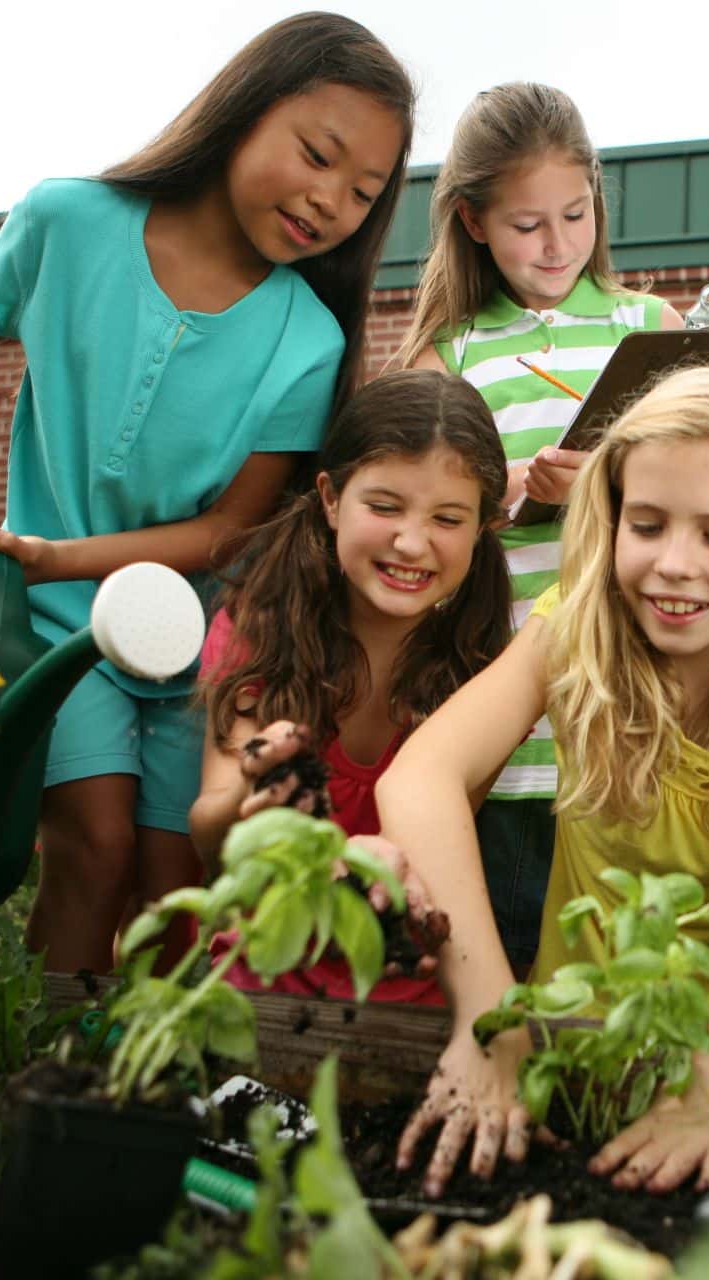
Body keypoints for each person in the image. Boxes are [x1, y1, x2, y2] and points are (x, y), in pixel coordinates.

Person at [0, 13, 414, 973]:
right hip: (48, 621)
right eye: (318, 156)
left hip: (190, 640)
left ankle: (154, 1103)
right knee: (95, 847)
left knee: (177, 882)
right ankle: (45, 1084)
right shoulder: (68, 220)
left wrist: (54, 553)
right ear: (245, 110)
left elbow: (226, 532)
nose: (333, 201)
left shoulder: (309, 340)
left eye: (364, 193)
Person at [377, 365, 709, 1197]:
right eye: (646, 525)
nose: (672, 566)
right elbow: (422, 780)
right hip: (569, 1061)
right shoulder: (573, 632)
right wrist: (493, 1016)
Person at [390, 82, 685, 977]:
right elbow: (409, 523)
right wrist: (503, 491)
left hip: (650, 714)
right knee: (518, 960)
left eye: (575, 214)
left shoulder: (653, 326)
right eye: (527, 225)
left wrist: (614, 484)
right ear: (474, 223)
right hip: (512, 731)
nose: (557, 245)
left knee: (641, 974)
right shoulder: (452, 353)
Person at [188, 369, 512, 1005]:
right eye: (384, 506)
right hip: (266, 969)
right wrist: (261, 786)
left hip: (405, 981)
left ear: (483, 528)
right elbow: (210, 839)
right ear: (331, 499)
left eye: (448, 518)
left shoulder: (485, 671)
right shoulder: (259, 627)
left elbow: (438, 861)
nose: (411, 542)